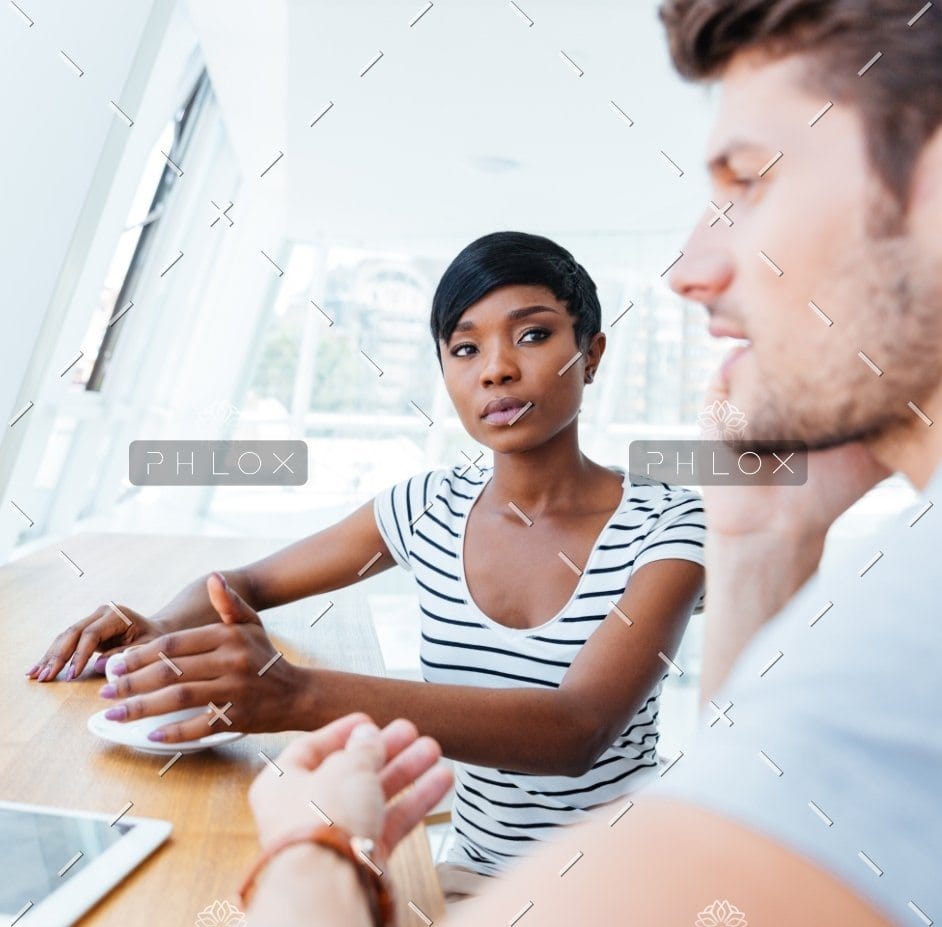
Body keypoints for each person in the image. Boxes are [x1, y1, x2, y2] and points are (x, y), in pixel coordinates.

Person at [237, 0, 942, 924]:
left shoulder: (909, 635)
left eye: (750, 182)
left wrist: (310, 849)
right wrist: (766, 524)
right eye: (463, 346)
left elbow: (585, 740)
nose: (692, 267)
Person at [26, 232, 706, 899]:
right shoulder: (426, 505)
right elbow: (246, 585)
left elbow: (577, 727)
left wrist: (297, 693)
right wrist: (160, 623)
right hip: (474, 877)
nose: (495, 367)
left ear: (592, 353)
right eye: (464, 348)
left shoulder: (668, 525)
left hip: (624, 885)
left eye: (531, 335)